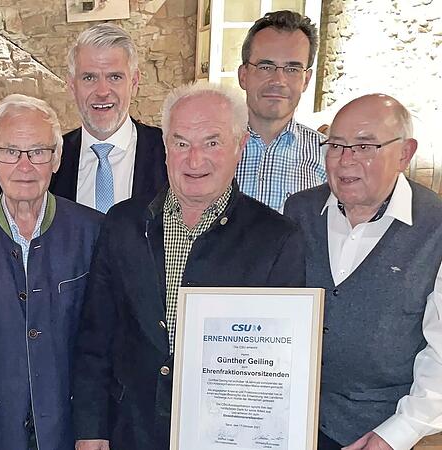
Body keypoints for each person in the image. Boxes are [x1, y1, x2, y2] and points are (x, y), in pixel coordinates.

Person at [72, 82, 306, 450]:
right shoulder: (123, 224)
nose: (194, 160)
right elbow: (95, 336)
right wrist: (90, 428)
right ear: (165, 148)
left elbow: (280, 365)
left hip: (225, 437)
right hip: (130, 431)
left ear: (239, 145)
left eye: (212, 142)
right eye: (181, 143)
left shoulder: (277, 239)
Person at [0, 94, 103, 450]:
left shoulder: (93, 231)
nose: (24, 166)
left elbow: (102, 343)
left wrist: (95, 427)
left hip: (68, 425)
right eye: (10, 151)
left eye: (38, 151)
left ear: (56, 159)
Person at [284, 94, 442, 450]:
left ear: (405, 153)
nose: (345, 160)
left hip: (380, 431)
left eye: (365, 146)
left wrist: (397, 434)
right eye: (336, 145)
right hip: (293, 422)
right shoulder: (299, 211)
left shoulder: (436, 229)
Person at [50, 23, 167, 213]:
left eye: (115, 77)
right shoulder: (52, 159)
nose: (103, 91)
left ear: (134, 82)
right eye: (89, 78)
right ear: (72, 85)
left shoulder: (168, 153)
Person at [236, 10, 326, 212]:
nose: (278, 81)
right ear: (243, 76)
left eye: (292, 69)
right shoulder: (207, 148)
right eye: (266, 67)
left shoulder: (329, 157)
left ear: (306, 80)